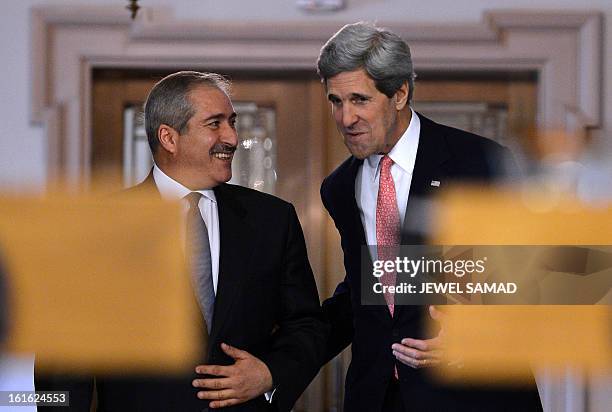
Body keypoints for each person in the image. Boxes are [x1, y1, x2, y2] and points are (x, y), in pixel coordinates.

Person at [37, 71, 327, 412]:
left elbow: (307, 325)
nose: (232, 137)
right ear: (169, 138)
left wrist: (269, 373)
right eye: (214, 124)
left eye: (231, 122)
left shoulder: (273, 220)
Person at [316, 22, 542, 411]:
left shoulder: (482, 163)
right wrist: (277, 361)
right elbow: (367, 292)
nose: (345, 118)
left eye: (359, 99)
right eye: (336, 101)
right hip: (377, 398)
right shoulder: (338, 188)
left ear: (400, 93)